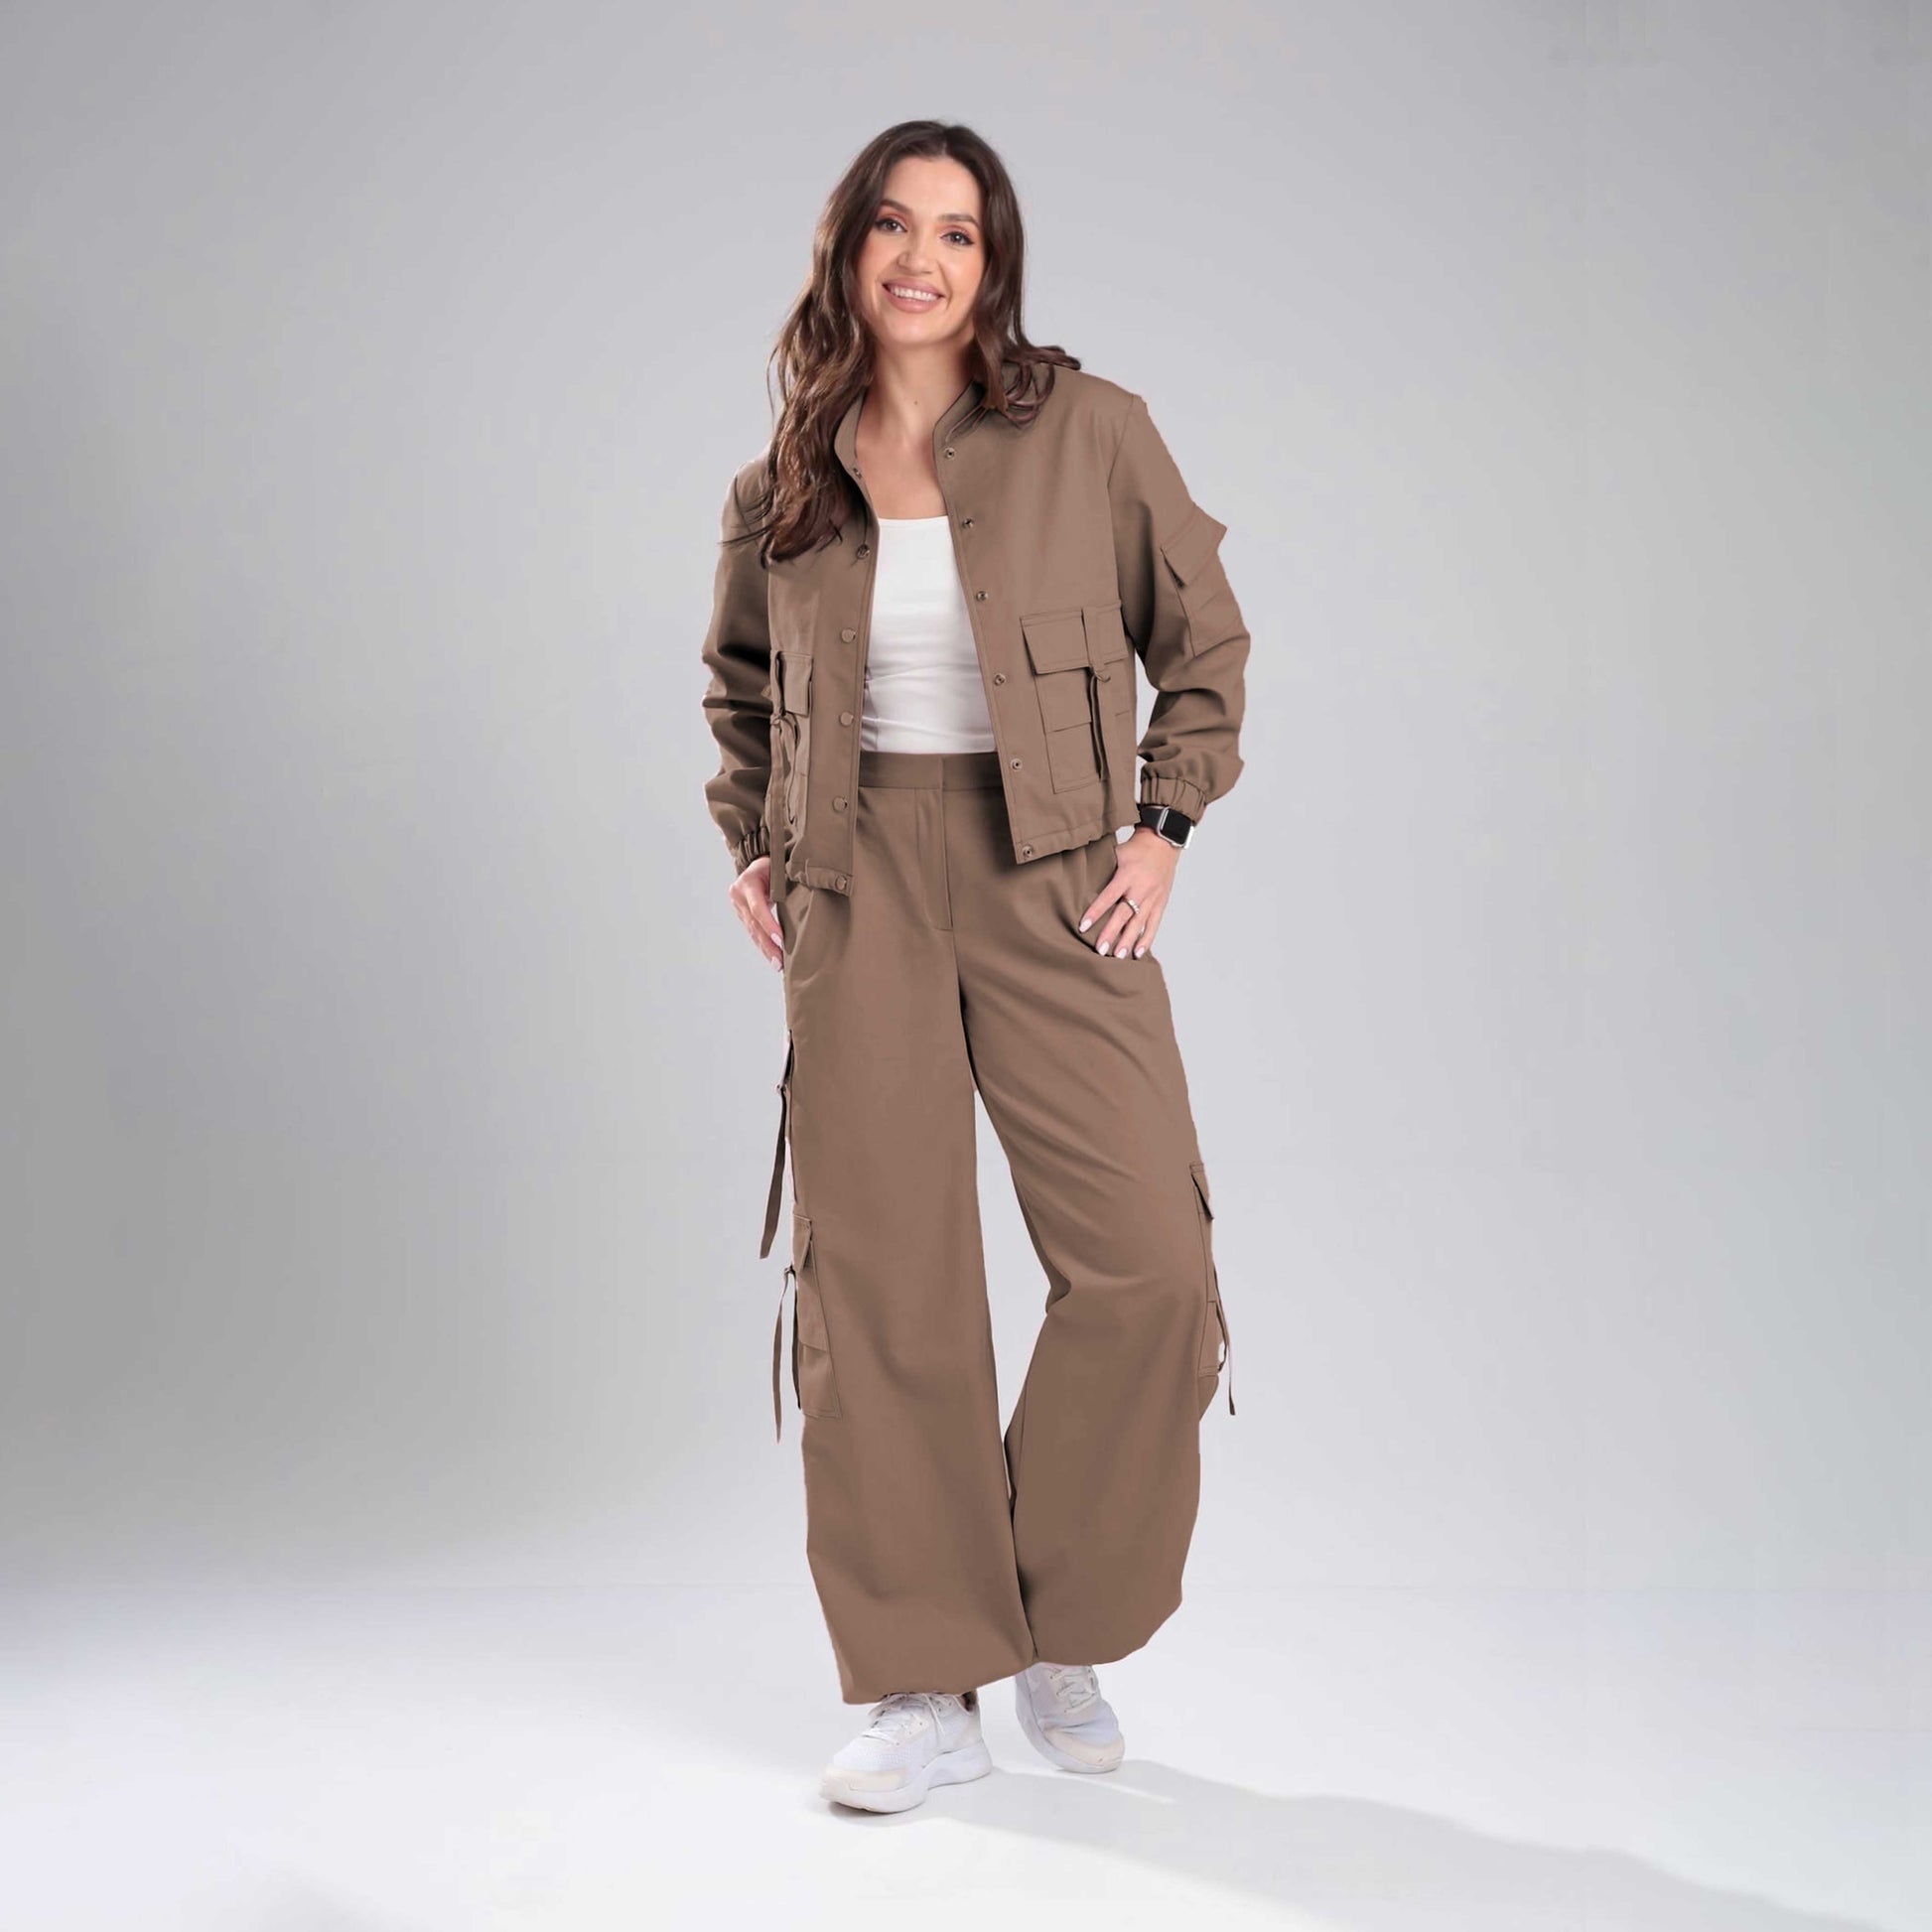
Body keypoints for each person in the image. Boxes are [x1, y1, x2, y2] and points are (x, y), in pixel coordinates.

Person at [698, 119, 1250, 1813]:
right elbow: (737, 686)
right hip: (855, 877)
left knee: (1147, 1264)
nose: (921, 257)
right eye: (892, 224)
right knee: (882, 1284)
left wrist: (1163, 826)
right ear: (848, 250)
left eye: (956, 230)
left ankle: (1055, 1614)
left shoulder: (1092, 430)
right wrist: (753, 840)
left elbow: (1204, 640)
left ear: (992, 261)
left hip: (1055, 870)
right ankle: (922, 1680)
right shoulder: (786, 477)